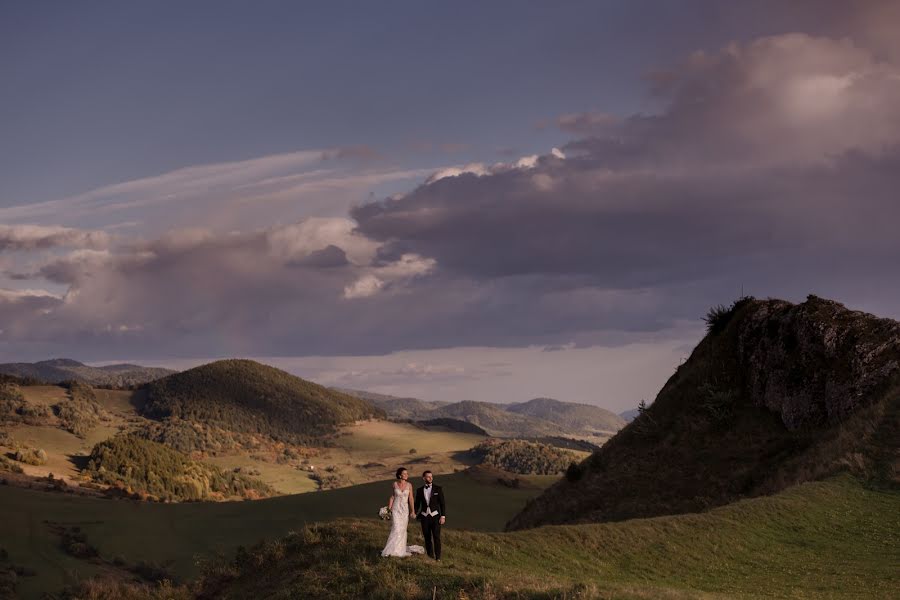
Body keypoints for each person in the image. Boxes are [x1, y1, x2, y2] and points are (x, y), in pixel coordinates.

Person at [381, 467, 425, 557]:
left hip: (405, 510)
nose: (406, 475)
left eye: (407, 474)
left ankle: (399, 550)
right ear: (400, 475)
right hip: (396, 509)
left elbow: (411, 498)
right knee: (396, 528)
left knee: (402, 530)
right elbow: (392, 497)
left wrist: (413, 511)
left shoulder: (409, 485)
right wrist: (388, 509)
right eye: (404, 474)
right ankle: (391, 550)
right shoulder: (394, 484)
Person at [415, 470, 446, 561]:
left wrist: (443, 516)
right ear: (424, 478)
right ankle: (430, 556)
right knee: (427, 537)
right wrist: (414, 512)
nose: (430, 478)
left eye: (431, 476)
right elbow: (417, 504)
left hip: (436, 517)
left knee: (436, 537)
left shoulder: (438, 489)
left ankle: (438, 558)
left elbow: (442, 503)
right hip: (424, 517)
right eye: (428, 477)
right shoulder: (419, 490)